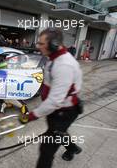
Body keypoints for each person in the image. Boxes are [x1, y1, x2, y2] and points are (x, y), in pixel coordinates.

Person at [21, 28, 83, 168]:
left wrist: (32, 115)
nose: (38, 46)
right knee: (59, 133)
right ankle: (73, 148)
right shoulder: (53, 58)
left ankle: (70, 149)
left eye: (42, 43)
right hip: (57, 110)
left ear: (54, 44)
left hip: (64, 111)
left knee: (46, 150)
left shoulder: (64, 65)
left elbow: (55, 100)